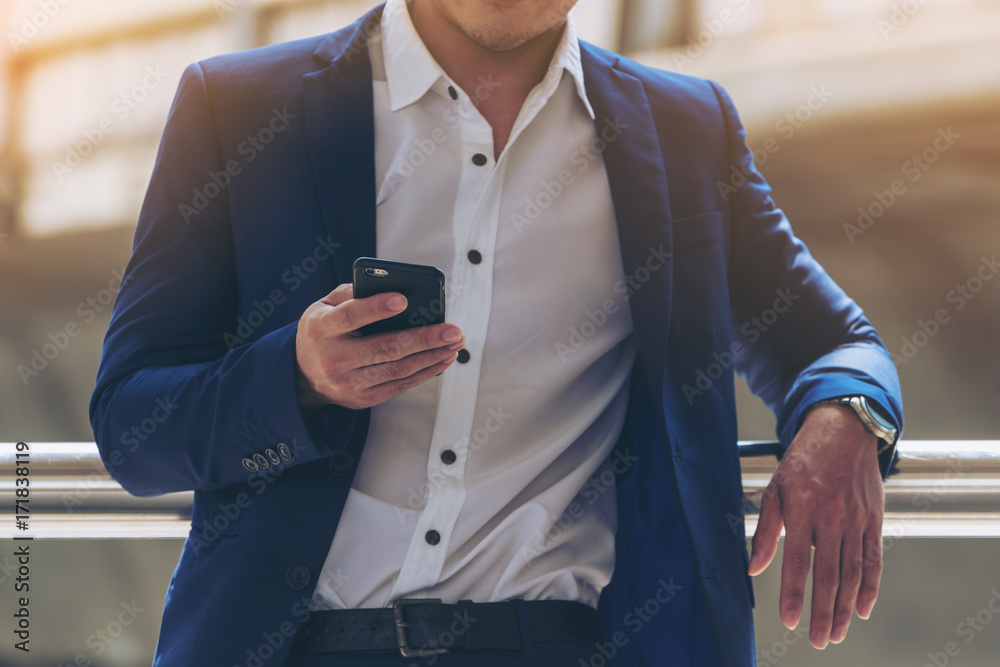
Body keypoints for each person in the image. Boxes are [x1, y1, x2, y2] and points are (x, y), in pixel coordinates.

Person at [89, 0, 903, 665]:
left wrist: (846, 418)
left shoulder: (686, 131)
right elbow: (132, 423)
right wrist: (295, 377)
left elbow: (838, 345)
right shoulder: (238, 108)